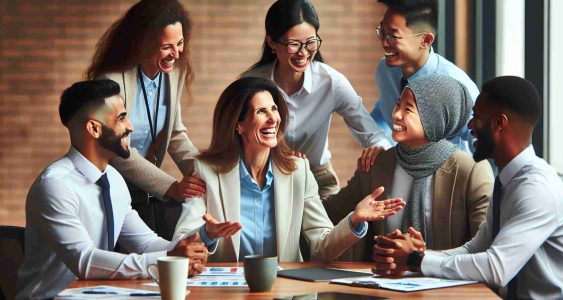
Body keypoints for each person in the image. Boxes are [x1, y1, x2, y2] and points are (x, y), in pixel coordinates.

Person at [372, 76, 563, 299]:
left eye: (476, 117)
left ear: (499, 123)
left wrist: (415, 259)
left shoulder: (536, 188)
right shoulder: (508, 180)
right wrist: (418, 255)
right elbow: (475, 249)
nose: (469, 126)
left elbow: (496, 268)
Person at [172, 77, 405, 262]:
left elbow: (321, 247)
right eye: (261, 112)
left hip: (286, 291)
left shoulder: (298, 172)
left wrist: (354, 219)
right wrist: (207, 234)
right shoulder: (205, 172)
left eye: (274, 109)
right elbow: (180, 244)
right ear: (238, 125)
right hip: (229, 293)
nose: (273, 119)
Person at [16, 80, 208, 300]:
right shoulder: (54, 186)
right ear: (94, 128)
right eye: (121, 118)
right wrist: (169, 258)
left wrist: (193, 245)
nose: (131, 127)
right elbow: (85, 261)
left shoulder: (113, 179)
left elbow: (145, 244)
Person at [323, 74, 491, 261]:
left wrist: (419, 258)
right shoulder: (378, 163)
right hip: (381, 285)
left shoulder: (471, 170)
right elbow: (328, 214)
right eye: (398, 104)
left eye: (408, 109)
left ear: (434, 118)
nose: (395, 114)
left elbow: (484, 249)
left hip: (448, 285)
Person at [242, 0, 392, 198]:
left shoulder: (330, 82)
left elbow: (373, 133)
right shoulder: (250, 84)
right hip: (263, 178)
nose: (303, 53)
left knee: (331, 228)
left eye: (311, 42)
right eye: (294, 44)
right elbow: (232, 141)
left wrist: (377, 148)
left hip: (318, 179)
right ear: (271, 43)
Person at [85, 0, 204, 240]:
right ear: (142, 43)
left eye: (180, 43)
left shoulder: (174, 73)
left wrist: (203, 173)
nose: (177, 53)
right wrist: (172, 187)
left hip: (145, 191)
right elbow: (117, 149)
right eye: (166, 46)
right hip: (109, 188)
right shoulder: (111, 80)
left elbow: (176, 134)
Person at [368, 0, 479, 160]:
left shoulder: (455, 84)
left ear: (425, 40)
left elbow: (484, 139)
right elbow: (383, 111)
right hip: (405, 171)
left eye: (393, 36)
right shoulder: (385, 70)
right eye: (382, 32)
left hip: (450, 178)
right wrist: (380, 143)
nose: (384, 42)